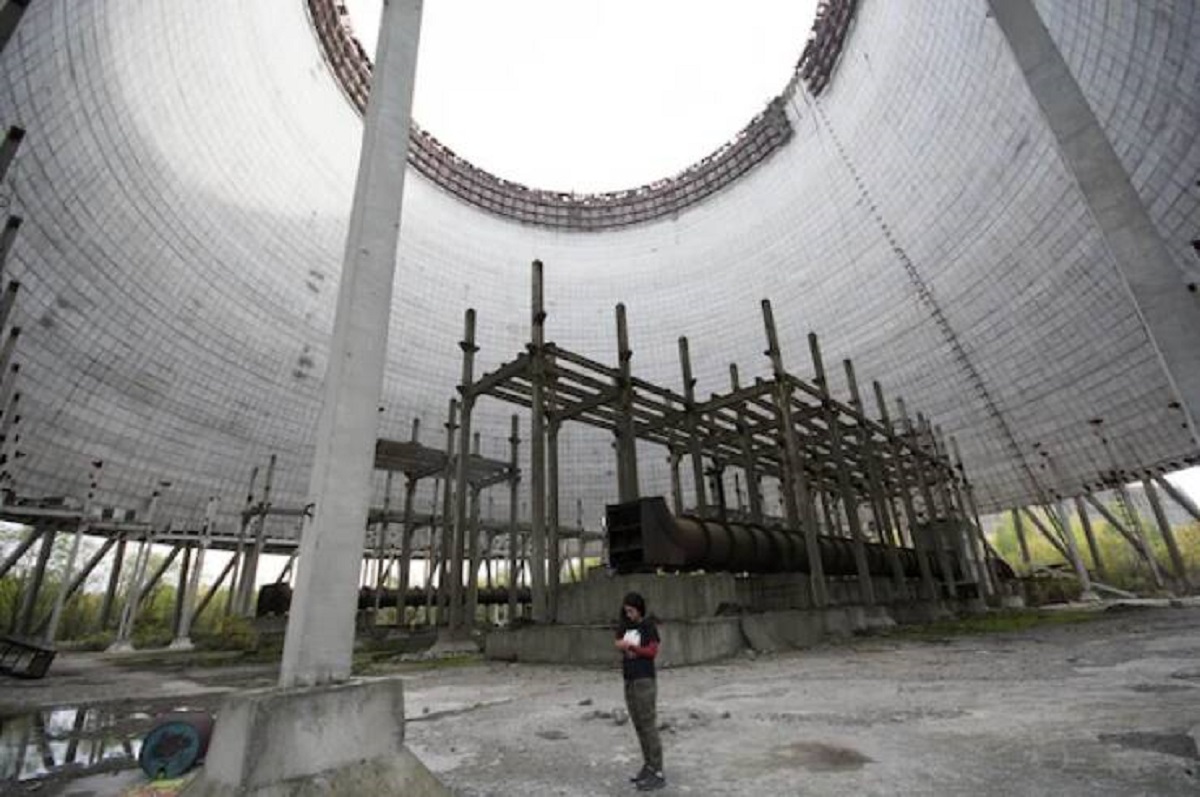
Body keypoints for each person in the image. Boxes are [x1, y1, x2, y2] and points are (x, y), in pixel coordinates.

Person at [615, 592, 664, 791]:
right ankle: (648, 765)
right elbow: (617, 641)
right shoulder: (625, 626)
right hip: (629, 680)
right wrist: (622, 645)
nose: (629, 615)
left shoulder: (648, 627)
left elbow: (652, 651)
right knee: (638, 725)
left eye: (632, 611)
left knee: (648, 725)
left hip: (644, 680)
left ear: (639, 609)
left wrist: (634, 648)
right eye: (626, 611)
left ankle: (658, 770)